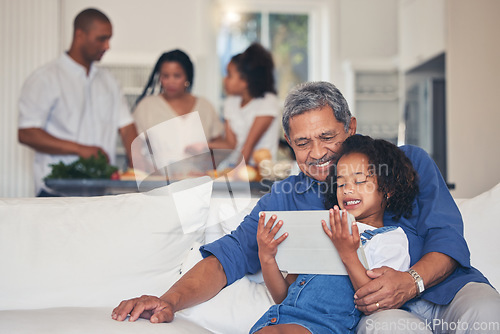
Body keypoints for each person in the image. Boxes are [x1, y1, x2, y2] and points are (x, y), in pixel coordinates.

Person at [112, 81, 500, 333]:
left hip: (444, 290)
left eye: (327, 136)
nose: (317, 154)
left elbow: (446, 238)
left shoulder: (407, 162)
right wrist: (168, 300)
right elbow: (230, 255)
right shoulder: (287, 196)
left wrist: (411, 280)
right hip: (378, 314)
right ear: (288, 143)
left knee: (488, 312)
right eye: (302, 143)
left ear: (351, 126)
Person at [251, 134, 417, 333]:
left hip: (325, 327)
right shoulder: (321, 229)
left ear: (388, 188)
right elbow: (285, 296)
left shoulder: (389, 239)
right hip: (276, 320)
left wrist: (348, 253)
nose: (347, 190)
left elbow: (376, 299)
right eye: (341, 183)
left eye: (359, 181)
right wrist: (266, 257)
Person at [18, 8, 137, 197]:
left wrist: (138, 163)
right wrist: (80, 150)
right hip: (55, 195)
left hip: (101, 195)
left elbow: (127, 127)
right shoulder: (45, 79)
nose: (107, 46)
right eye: (101, 39)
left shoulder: (110, 82)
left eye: (109, 39)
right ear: (79, 35)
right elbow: (27, 133)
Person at [208, 43, 281, 165]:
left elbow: (248, 146)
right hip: (237, 165)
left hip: (260, 171)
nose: (224, 79)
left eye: (229, 75)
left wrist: (233, 176)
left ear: (245, 81)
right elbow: (230, 144)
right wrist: (204, 146)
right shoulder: (230, 102)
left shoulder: (268, 102)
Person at [133, 49, 224, 142]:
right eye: (165, 76)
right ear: (160, 77)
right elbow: (134, 146)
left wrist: (205, 150)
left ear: (187, 77)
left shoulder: (205, 106)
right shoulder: (146, 106)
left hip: (201, 157)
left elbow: (219, 145)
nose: (170, 82)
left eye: (177, 76)